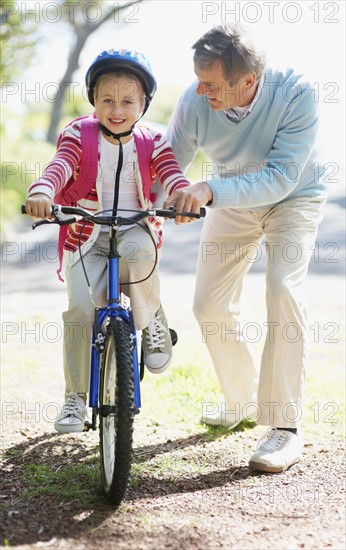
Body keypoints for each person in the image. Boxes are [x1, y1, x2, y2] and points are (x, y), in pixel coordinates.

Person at [164, 24, 327, 473]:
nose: (201, 90)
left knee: (282, 290)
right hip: (232, 195)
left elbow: (279, 177)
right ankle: (241, 401)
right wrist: (175, 191)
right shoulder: (195, 100)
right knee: (209, 305)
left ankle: (284, 427)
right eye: (199, 79)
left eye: (213, 84)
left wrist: (208, 190)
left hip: (293, 198)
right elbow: (167, 158)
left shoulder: (296, 94)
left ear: (248, 82)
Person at [25, 49, 191, 433]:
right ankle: (74, 399)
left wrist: (182, 195)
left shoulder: (154, 140)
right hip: (85, 233)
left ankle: (150, 321)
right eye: (107, 100)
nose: (117, 109)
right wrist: (42, 192)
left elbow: (172, 174)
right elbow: (58, 166)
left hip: (133, 227)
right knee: (80, 309)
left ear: (144, 103)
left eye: (128, 101)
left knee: (141, 256)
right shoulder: (77, 134)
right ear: (94, 101)